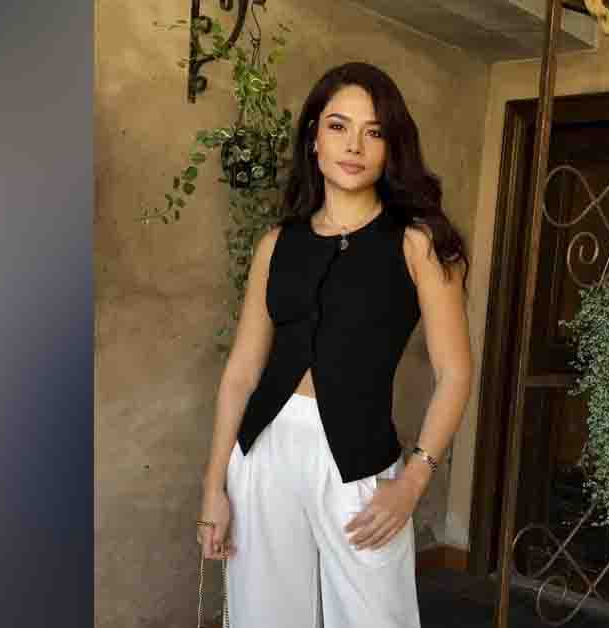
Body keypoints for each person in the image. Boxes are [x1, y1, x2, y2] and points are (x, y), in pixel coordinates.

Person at [196, 62, 473, 627]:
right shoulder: (277, 244)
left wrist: (414, 480)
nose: (354, 146)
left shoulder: (418, 243)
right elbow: (242, 373)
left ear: (391, 147)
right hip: (264, 452)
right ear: (313, 138)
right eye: (338, 126)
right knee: (264, 617)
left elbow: (456, 373)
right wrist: (213, 488)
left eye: (373, 132)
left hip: (359, 460)